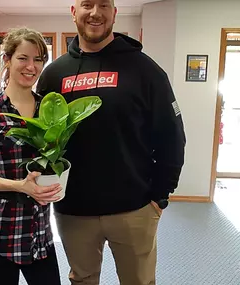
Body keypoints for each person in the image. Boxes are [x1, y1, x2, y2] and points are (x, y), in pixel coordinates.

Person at [37, 0, 186, 284]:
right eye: (87, 4)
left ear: (114, 13)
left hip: (134, 207)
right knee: (82, 280)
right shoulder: (54, 74)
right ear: (73, 12)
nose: (95, 12)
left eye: (103, 4)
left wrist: (161, 196)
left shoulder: (146, 70)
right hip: (73, 211)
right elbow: (43, 139)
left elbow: (172, 135)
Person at [0, 27, 62, 285]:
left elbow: (57, 158)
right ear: (7, 59)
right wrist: (21, 186)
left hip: (39, 233)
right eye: (23, 58)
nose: (31, 66)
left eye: (39, 59)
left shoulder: (48, 109)